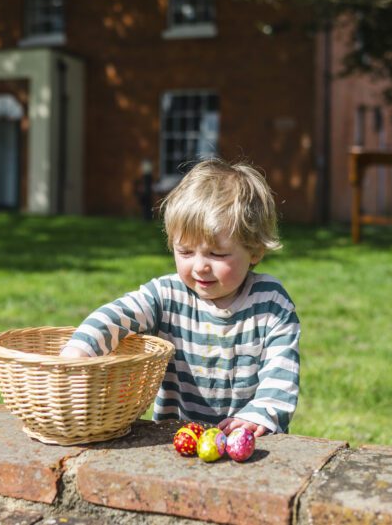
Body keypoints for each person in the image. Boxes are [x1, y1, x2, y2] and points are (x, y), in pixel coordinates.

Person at [60, 158, 300, 436]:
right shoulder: (166, 295)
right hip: (175, 438)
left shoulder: (270, 303)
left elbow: (282, 369)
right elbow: (116, 315)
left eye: (218, 254)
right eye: (185, 252)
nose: (200, 266)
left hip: (248, 440)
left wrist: (263, 413)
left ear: (255, 251)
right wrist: (78, 351)